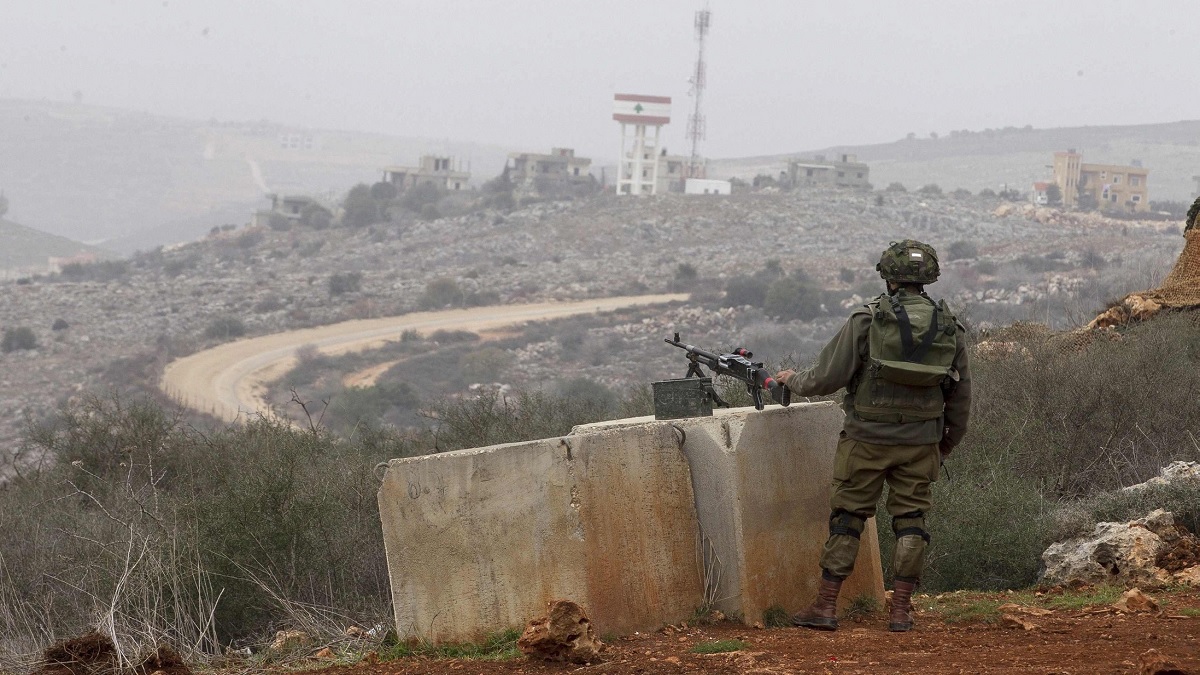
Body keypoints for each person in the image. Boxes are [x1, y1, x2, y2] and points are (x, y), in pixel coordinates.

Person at [774, 239, 971, 632]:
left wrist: (791, 380)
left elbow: (827, 378)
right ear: (928, 278)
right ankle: (900, 611)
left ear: (889, 277)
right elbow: (961, 399)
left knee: (847, 518)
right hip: (921, 444)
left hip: (865, 440)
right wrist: (943, 444)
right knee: (912, 520)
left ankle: (826, 607)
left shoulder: (867, 320)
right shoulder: (950, 327)